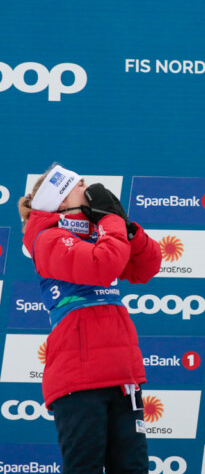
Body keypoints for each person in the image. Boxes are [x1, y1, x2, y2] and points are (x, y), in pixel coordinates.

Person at [19, 164, 162, 473]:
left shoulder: (101, 233)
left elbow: (147, 267)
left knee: (133, 467)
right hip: (79, 376)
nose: (87, 186)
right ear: (60, 199)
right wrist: (111, 222)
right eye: (77, 184)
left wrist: (126, 227)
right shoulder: (48, 238)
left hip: (122, 374)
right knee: (84, 468)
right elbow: (102, 266)